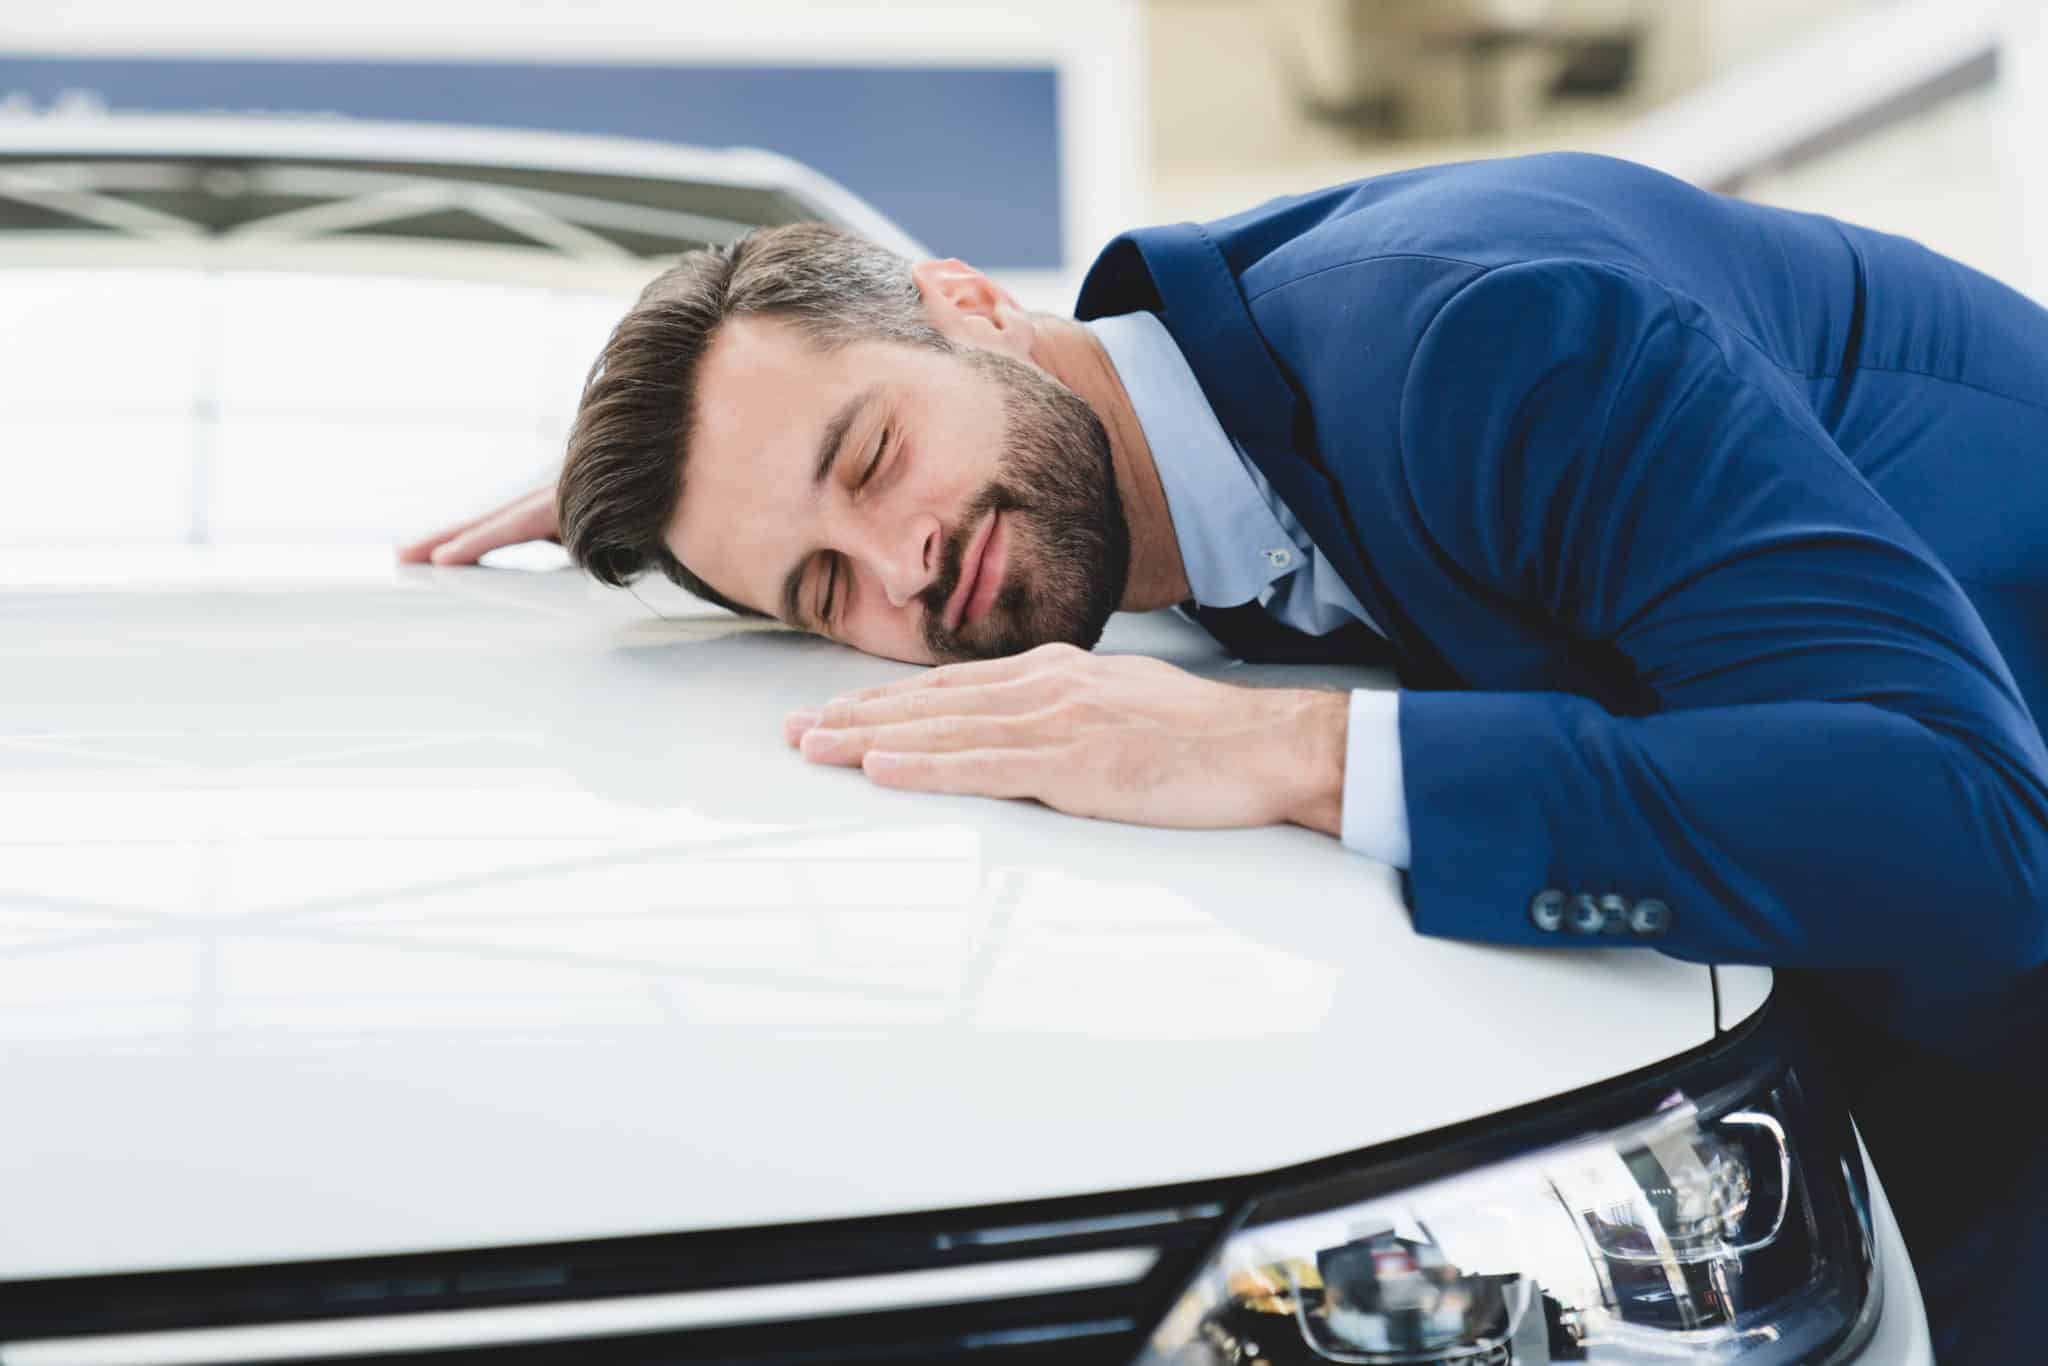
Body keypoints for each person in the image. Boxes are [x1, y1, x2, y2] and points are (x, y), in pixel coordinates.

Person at [403, 152, 2048, 1357]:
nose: (900, 565)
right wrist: (726, 492)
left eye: (873, 455)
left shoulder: (1486, 342)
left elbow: (1975, 832)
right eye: (821, 585)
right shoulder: (1182, 405)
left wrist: (1302, 751)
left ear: (968, 301)